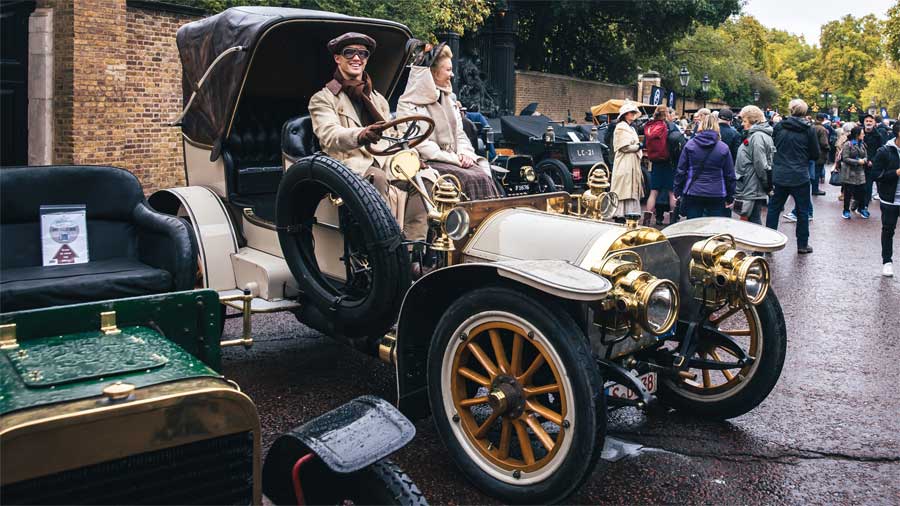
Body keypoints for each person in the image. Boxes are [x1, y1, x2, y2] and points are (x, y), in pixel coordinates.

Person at [308, 32, 435, 270]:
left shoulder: (378, 99)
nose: (357, 58)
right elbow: (329, 136)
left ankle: (410, 254)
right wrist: (360, 135)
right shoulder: (323, 99)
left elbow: (394, 138)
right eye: (350, 53)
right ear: (338, 58)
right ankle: (381, 257)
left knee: (425, 179)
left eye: (362, 54)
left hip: (384, 162)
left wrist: (412, 158)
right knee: (377, 178)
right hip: (347, 168)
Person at [397, 44, 499, 200]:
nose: (452, 75)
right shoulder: (408, 103)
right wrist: (455, 159)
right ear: (431, 72)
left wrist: (465, 154)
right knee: (470, 179)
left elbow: (459, 134)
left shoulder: (449, 99)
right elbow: (418, 143)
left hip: (453, 159)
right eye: (448, 70)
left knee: (484, 173)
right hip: (429, 162)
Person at [765, 99, 819, 254]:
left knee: (774, 208)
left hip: (780, 173)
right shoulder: (809, 129)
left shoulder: (779, 126)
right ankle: (802, 244)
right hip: (800, 174)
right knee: (802, 211)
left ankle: (769, 242)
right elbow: (815, 153)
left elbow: (772, 146)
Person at [673, 114, 736, 219]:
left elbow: (681, 170)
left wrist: (677, 190)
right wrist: (730, 196)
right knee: (714, 227)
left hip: (694, 191)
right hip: (717, 192)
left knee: (693, 225)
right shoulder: (723, 148)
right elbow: (729, 175)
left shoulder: (690, 145)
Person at [733, 105, 774, 224]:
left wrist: (767, 185)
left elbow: (761, 164)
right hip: (751, 185)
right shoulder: (757, 135)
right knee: (751, 219)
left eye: (744, 121)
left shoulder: (757, 137)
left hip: (752, 186)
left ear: (753, 121)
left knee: (753, 221)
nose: (742, 124)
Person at [644, 105, 682, 223]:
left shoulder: (651, 126)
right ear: (667, 114)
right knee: (672, 193)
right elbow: (679, 143)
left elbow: (645, 143)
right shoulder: (671, 126)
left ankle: (646, 221)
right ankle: (673, 221)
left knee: (653, 192)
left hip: (656, 163)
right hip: (669, 163)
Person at [873, 121, 900, 277]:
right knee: (888, 230)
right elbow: (876, 175)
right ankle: (887, 262)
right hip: (890, 199)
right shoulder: (885, 151)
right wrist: (895, 173)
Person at [610, 102, 644, 218]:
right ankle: (620, 214)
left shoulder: (631, 128)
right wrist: (638, 146)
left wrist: (637, 145)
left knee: (631, 186)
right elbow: (624, 147)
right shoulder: (621, 127)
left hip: (632, 161)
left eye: (634, 112)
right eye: (631, 112)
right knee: (624, 186)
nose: (633, 114)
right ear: (625, 114)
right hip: (625, 161)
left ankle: (631, 213)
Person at [839, 126, 869, 219]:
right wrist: (857, 162)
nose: (863, 134)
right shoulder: (848, 144)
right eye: (862, 133)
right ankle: (846, 210)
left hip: (860, 172)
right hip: (849, 172)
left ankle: (861, 208)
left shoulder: (862, 144)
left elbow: (866, 156)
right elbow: (845, 158)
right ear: (857, 134)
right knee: (848, 193)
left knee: (862, 192)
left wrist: (864, 160)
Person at [862, 114, 887, 206]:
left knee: (868, 185)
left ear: (874, 123)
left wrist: (872, 160)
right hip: (859, 163)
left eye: (870, 121)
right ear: (864, 122)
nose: (868, 123)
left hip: (871, 164)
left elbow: (880, 149)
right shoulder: (859, 133)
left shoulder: (878, 135)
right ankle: (858, 203)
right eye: (867, 121)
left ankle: (865, 205)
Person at [811, 113, 830, 196]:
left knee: (812, 171)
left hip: (811, 152)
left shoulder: (811, 127)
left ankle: (813, 188)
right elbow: (824, 143)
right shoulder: (822, 129)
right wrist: (828, 148)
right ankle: (815, 189)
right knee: (817, 172)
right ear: (823, 119)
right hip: (820, 153)